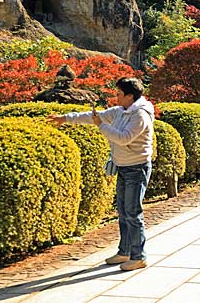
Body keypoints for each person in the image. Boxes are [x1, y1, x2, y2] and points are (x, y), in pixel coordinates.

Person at [48, 77, 154, 271]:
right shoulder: (121, 111)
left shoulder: (140, 115)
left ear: (130, 96)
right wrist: (65, 119)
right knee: (123, 212)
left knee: (133, 213)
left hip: (137, 168)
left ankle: (139, 256)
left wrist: (101, 126)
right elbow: (93, 116)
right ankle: (125, 251)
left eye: (120, 94)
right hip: (123, 167)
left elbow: (123, 138)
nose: (116, 97)